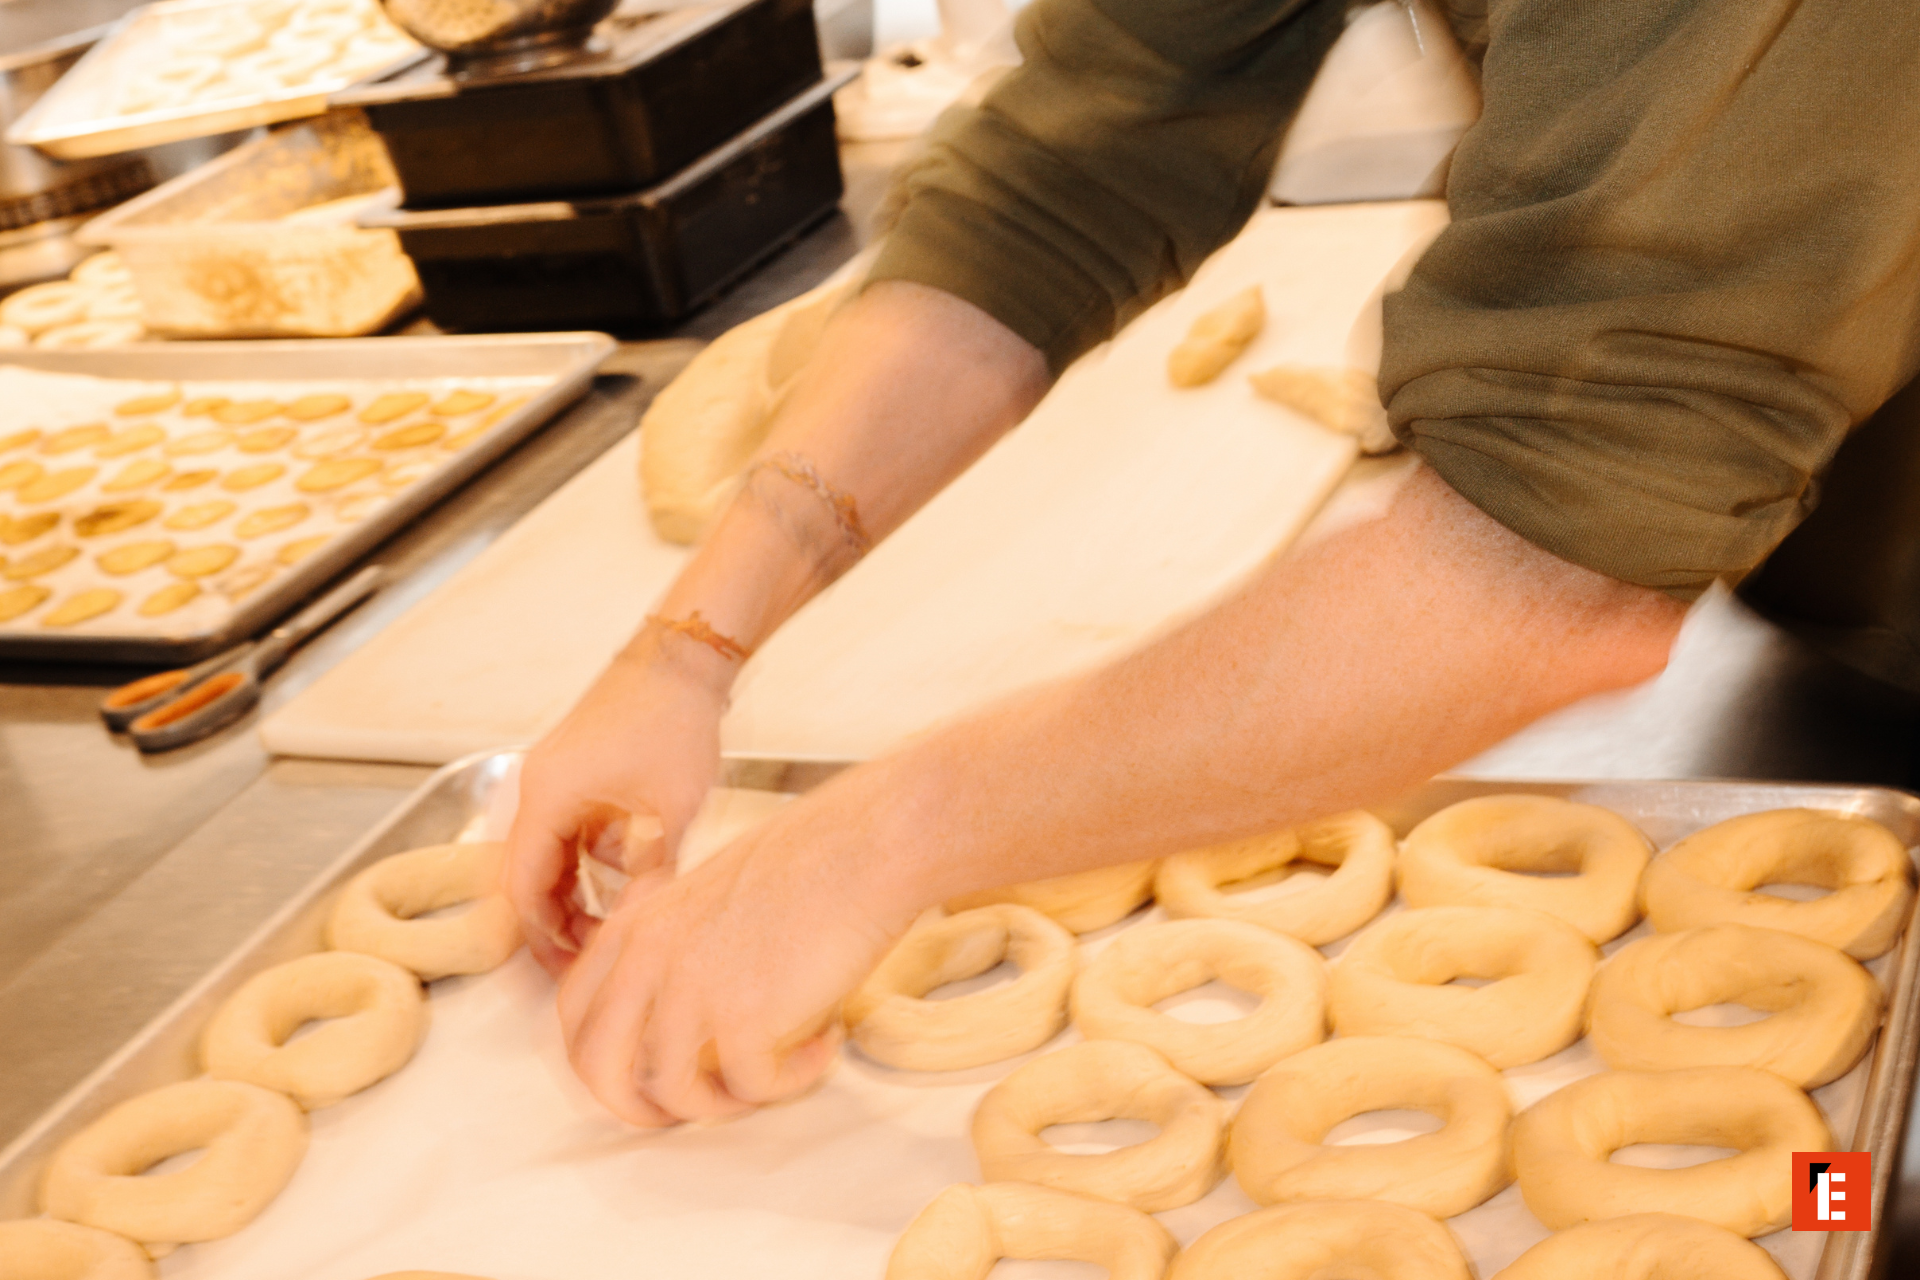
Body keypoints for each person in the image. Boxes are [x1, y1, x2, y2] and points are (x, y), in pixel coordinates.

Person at [503, 0, 1920, 1126]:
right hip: (1827, 575)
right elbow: (1082, 152)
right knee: (1834, 1140)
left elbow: (1555, 569)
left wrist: (874, 844)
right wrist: (686, 650)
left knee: (1849, 1190)